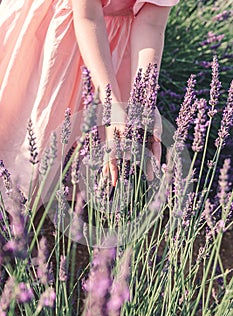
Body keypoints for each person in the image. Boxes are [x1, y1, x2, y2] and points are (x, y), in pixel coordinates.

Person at [0, 0, 179, 205]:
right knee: (28, 138)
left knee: (74, 160)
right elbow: (87, 17)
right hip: (59, 29)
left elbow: (151, 23)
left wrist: (143, 103)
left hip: (112, 46)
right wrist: (111, 104)